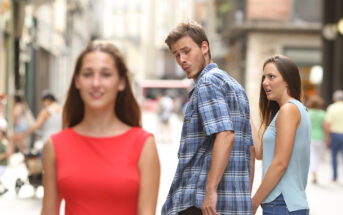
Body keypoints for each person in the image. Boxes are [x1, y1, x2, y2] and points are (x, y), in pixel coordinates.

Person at [40, 40, 160, 215]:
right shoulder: (56, 145)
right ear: (77, 81)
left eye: (106, 74)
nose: (96, 83)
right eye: (88, 74)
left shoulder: (143, 144)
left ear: (121, 82)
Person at [162, 21, 254, 215]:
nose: (182, 60)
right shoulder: (236, 87)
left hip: (201, 203)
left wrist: (210, 190)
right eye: (177, 54)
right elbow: (250, 149)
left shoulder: (207, 83)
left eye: (186, 51)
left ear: (204, 47)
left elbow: (226, 135)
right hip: (234, 205)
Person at [250, 55, 311, 215]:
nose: (265, 82)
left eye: (271, 76)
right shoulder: (291, 110)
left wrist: (254, 202)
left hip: (282, 204)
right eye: (264, 77)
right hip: (284, 204)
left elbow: (280, 164)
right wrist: (245, 115)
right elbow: (260, 153)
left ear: (287, 80)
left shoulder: (288, 110)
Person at [323, 90, 343, 182]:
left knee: (334, 155)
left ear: (334, 99)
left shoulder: (331, 108)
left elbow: (327, 123)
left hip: (334, 134)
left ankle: (335, 176)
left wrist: (327, 136)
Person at [307, 94, 326, 184]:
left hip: (310, 137)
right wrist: (327, 137)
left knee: (312, 155)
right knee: (317, 156)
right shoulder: (322, 113)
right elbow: (325, 127)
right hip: (320, 137)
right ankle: (315, 172)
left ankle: (314, 173)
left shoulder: (308, 112)